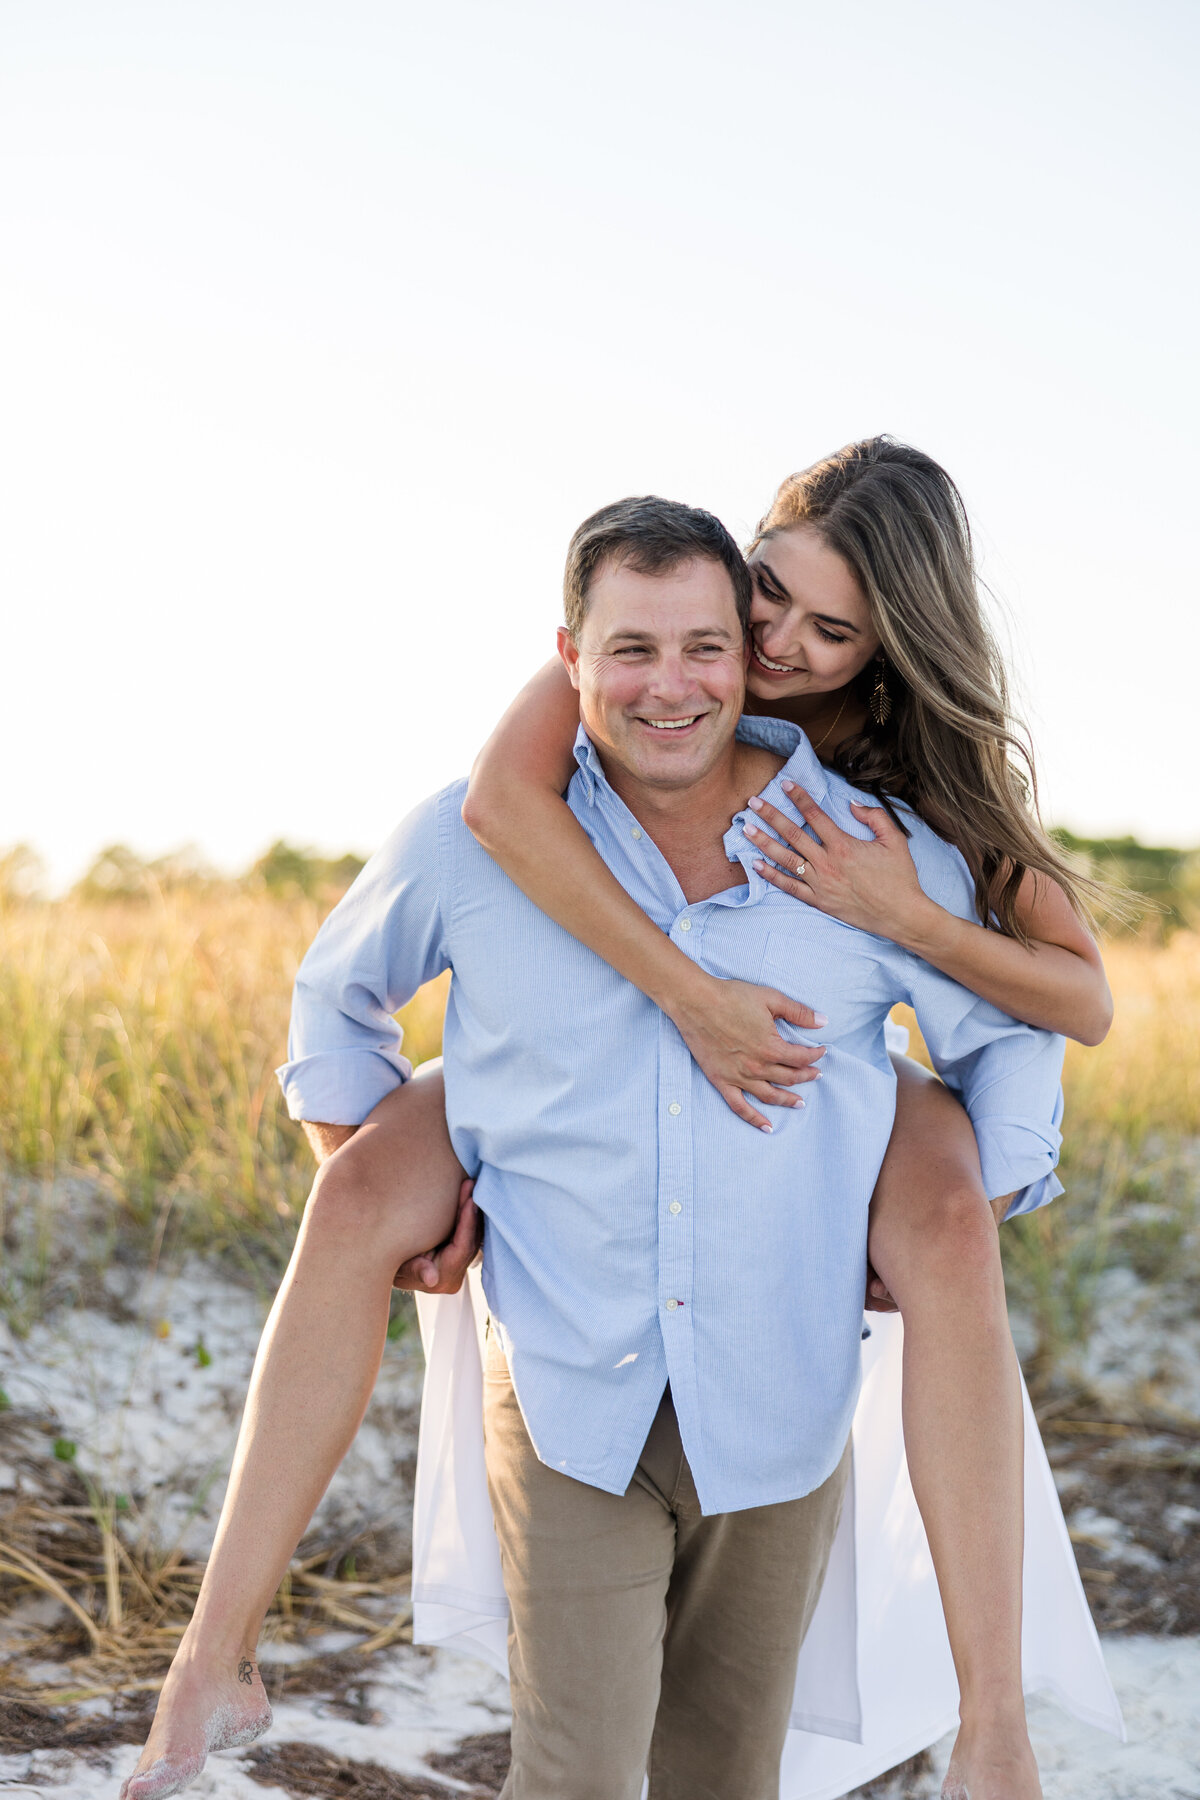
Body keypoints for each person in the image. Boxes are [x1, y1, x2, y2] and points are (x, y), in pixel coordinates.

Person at [122, 486, 1072, 1800]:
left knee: (722, 1781)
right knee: (573, 1780)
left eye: (703, 650)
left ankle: (994, 1731)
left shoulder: (871, 857)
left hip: (782, 1396)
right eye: (630, 650)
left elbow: (1020, 1026)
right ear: (571, 660)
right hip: (576, 1389)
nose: (669, 687)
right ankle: (209, 1662)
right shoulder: (473, 838)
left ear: (752, 663)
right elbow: (330, 997)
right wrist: (400, 1178)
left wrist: (969, 1186)